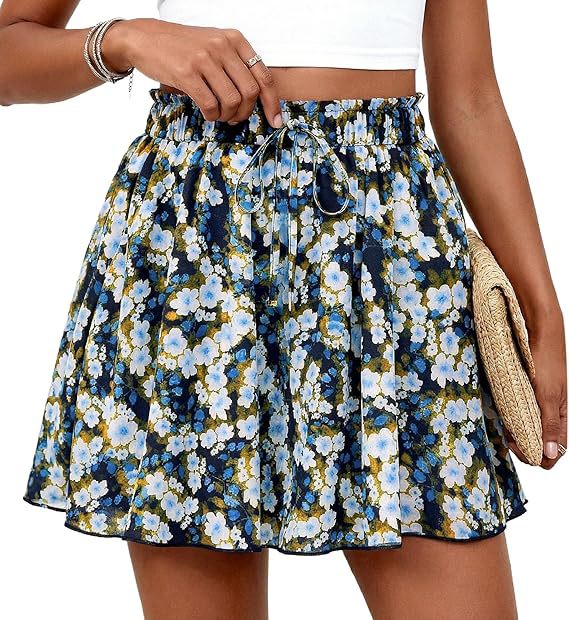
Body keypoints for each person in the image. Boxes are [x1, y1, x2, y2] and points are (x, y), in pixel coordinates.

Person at [2, 1, 566, 618]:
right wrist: (127, 40)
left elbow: (470, 100)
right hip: (199, 260)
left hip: (391, 268)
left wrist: (542, 309)